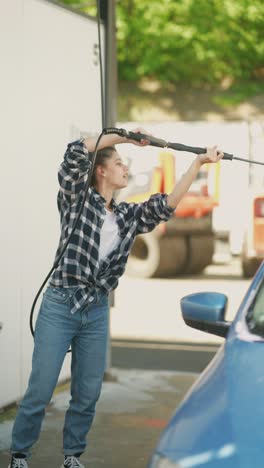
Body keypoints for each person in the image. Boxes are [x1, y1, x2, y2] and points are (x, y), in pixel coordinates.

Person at [8, 128, 223, 468]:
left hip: (95, 310)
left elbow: (166, 205)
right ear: (101, 170)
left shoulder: (126, 216)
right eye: (120, 163)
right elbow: (76, 151)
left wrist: (198, 162)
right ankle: (20, 454)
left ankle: (71, 456)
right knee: (40, 390)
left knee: (87, 394)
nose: (126, 169)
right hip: (61, 304)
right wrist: (122, 137)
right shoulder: (76, 199)